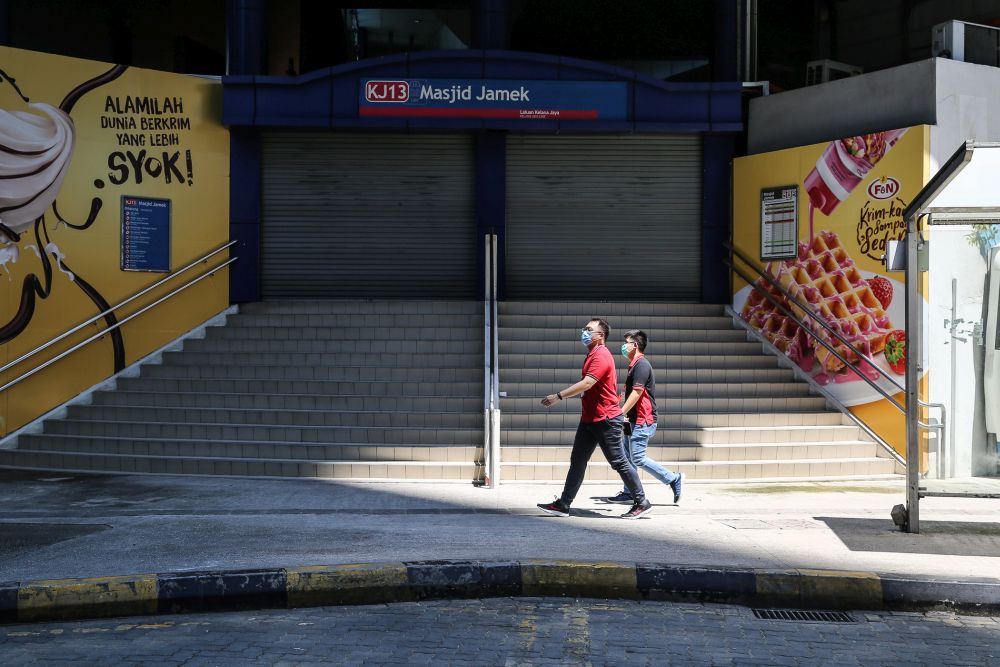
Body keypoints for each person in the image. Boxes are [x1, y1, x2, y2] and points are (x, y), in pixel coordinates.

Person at [536, 318, 653, 519]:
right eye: (584, 329)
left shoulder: (601, 355)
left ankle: (642, 502)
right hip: (590, 419)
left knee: (618, 461)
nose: (584, 332)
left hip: (606, 419)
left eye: (589, 329)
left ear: (601, 336)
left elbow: (588, 383)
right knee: (578, 460)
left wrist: (558, 396)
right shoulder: (592, 354)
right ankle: (564, 504)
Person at [606, 330, 685, 505]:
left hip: (643, 420)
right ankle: (629, 492)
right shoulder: (634, 365)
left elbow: (637, 392)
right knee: (627, 457)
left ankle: (673, 478)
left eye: (626, 342)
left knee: (638, 458)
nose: (623, 346)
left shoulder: (641, 365)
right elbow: (631, 393)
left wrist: (619, 414)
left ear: (635, 345)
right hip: (632, 420)